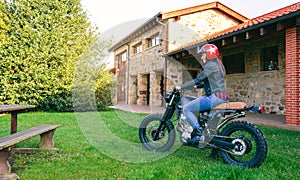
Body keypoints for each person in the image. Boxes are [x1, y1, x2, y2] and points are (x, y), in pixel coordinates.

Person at [178, 44, 229, 143]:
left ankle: (198, 132)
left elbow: (199, 79)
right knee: (212, 127)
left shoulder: (210, 65)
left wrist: (182, 86)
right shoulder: (218, 64)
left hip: (215, 97)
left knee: (187, 108)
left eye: (203, 55)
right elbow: (212, 81)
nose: (201, 57)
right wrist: (197, 86)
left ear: (209, 54)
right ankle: (214, 151)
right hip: (222, 97)